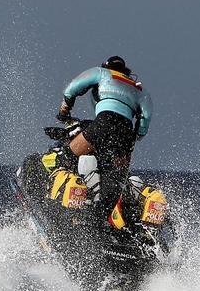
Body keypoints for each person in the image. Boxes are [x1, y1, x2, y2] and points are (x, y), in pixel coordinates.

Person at [54, 55, 151, 215]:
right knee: (114, 181)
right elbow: (143, 125)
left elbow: (72, 88)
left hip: (103, 123)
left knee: (66, 156)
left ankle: (64, 209)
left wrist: (64, 111)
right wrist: (134, 136)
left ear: (107, 66)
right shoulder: (140, 90)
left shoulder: (102, 73)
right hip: (126, 137)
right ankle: (105, 221)